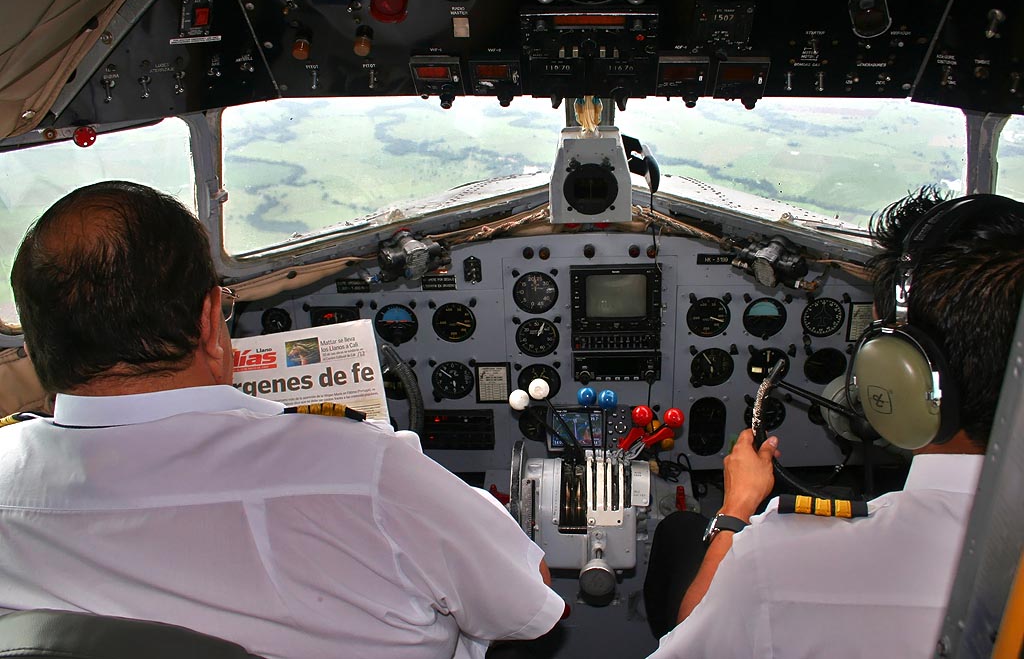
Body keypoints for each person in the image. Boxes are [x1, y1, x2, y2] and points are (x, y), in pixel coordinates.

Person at [2, 181, 566, 659]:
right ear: (207, 321)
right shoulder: (366, 473)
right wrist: (483, 511)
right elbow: (525, 604)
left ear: (38, 341)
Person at [644, 187, 1024, 658]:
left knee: (680, 529)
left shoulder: (783, 563)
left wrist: (737, 508)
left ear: (899, 374)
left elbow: (690, 635)